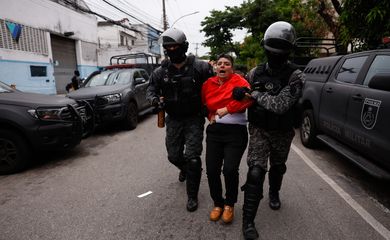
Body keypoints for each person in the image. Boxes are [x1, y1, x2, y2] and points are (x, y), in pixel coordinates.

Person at [233, 21, 305, 240]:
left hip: (282, 132)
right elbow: (241, 91)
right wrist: (237, 92)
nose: (275, 54)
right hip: (259, 129)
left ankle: (274, 191)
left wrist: (254, 95)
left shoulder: (296, 76)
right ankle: (248, 222)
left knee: (278, 167)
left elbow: (281, 105)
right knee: (255, 172)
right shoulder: (255, 73)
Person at [146, 28, 214, 212]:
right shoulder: (160, 72)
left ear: (183, 46)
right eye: (168, 47)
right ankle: (185, 169)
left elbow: (215, 88)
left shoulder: (201, 67)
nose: (171, 50)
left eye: (175, 46)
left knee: (193, 158)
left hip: (194, 118)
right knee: (173, 156)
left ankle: (192, 196)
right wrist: (154, 100)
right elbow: (151, 90)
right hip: (173, 119)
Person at [202, 54, 253, 223]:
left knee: (230, 169)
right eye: (219, 64)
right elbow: (205, 104)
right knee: (211, 170)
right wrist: (210, 114)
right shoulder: (208, 84)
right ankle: (218, 203)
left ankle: (230, 204)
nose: (222, 66)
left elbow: (249, 99)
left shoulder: (240, 82)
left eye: (226, 64)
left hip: (236, 132)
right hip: (215, 131)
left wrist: (228, 109)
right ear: (215, 67)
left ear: (232, 67)